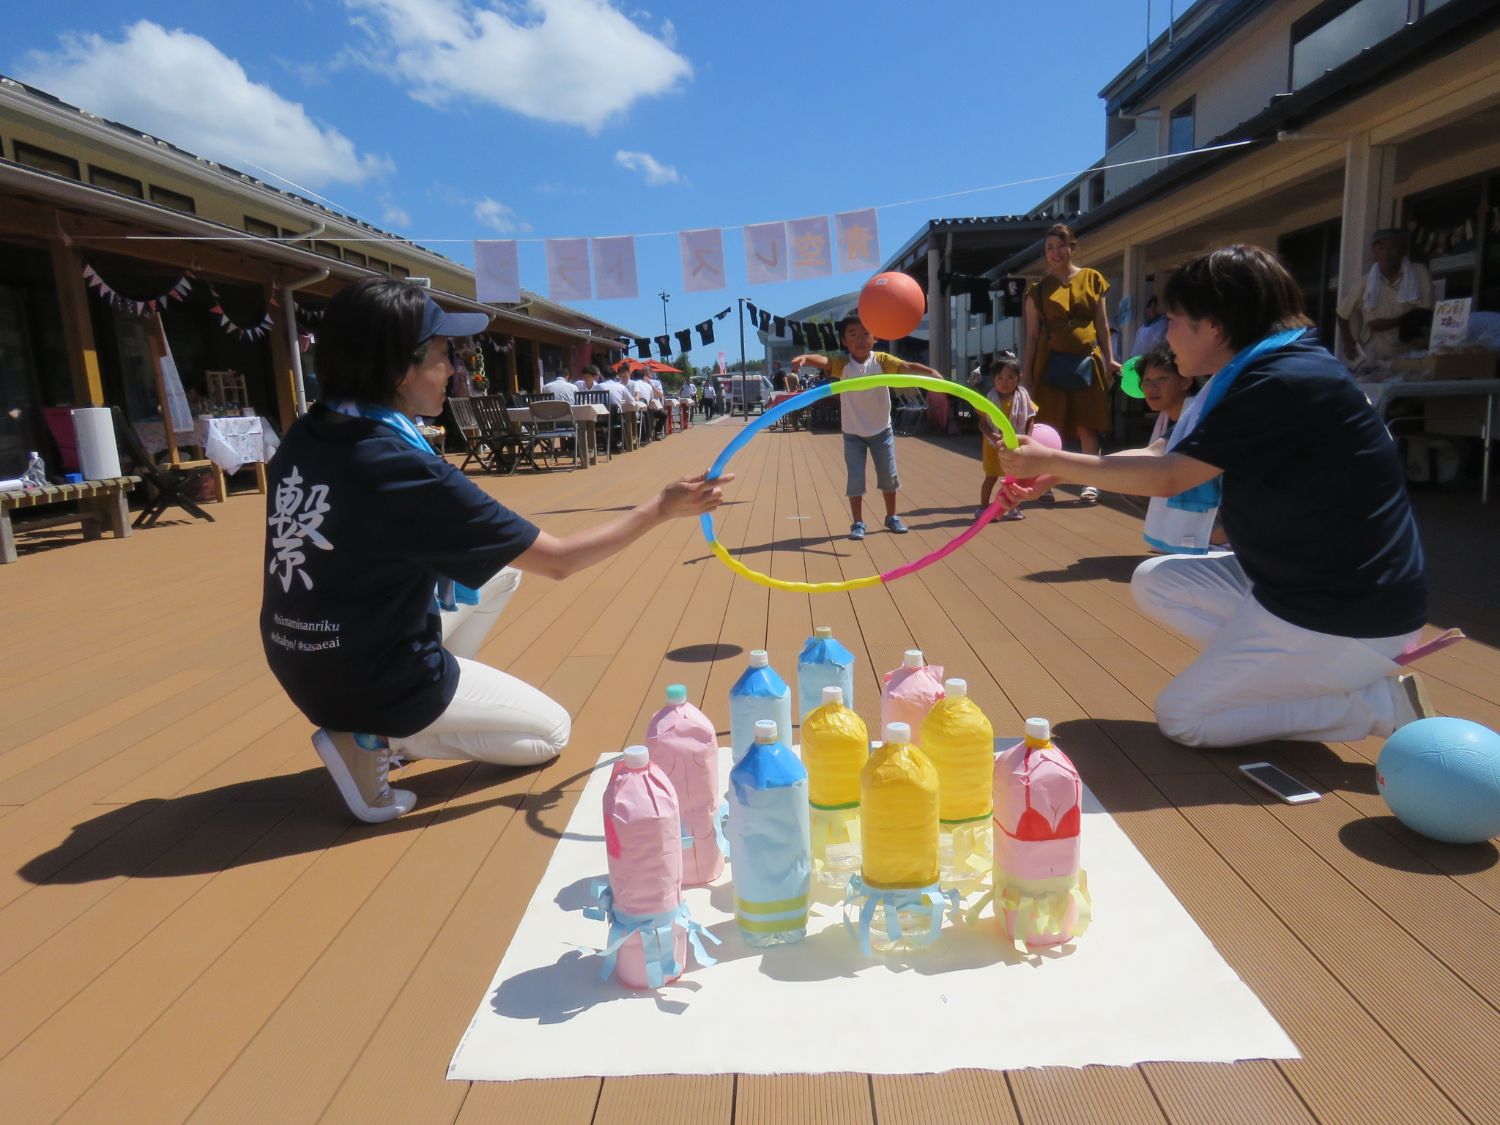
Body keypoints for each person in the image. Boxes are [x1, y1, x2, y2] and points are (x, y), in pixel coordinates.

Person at [260, 278, 728, 822]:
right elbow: (558, 559)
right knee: (550, 733)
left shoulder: (310, 430)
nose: (456, 368)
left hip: (300, 652)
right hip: (369, 677)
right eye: (443, 355)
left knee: (500, 574)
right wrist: (662, 508)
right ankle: (378, 736)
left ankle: (395, 723)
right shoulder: (400, 464)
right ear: (399, 369)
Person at [998, 244, 1431, 749]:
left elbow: (1170, 475)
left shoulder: (1279, 381)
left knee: (1184, 718)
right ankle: (1301, 674)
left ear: (1216, 327)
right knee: (1156, 580)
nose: (1165, 333)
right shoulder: (1269, 367)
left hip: (1347, 607)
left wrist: (1052, 461)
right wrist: (1058, 476)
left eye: (1175, 320)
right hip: (1300, 582)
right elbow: (1163, 450)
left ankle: (1375, 705)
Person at [789, 312, 940, 540]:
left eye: (865, 333)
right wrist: (805, 358)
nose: (860, 339)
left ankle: (891, 516)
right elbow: (824, 360)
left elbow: (906, 367)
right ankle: (858, 522)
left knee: (888, 476)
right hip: (853, 433)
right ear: (844, 341)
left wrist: (930, 373)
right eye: (853, 334)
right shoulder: (843, 364)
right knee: (856, 478)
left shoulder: (882, 361)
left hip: (882, 430)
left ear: (875, 337)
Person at [1021, 223, 1120, 505]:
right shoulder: (1037, 290)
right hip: (1049, 363)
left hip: (1087, 360)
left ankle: (1092, 482)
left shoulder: (1092, 279)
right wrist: (1026, 374)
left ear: (1072, 247)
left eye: (1060, 245)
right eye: (1049, 248)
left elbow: (1102, 324)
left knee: (1087, 424)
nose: (1055, 253)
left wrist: (1110, 358)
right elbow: (1031, 335)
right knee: (1048, 426)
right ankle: (1044, 484)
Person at [1131, 345, 1226, 554]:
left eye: (1161, 379)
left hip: (1230, 505)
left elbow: (1154, 456)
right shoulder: (1167, 416)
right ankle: (1178, 532)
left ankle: (1218, 535)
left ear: (1186, 380)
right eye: (1146, 380)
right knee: (1132, 484)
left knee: (1136, 475)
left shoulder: (1199, 413)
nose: (1151, 388)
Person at [1337, 228, 1433, 363]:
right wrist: (1348, 342)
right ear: (1374, 252)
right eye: (1381, 248)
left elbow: (1424, 313)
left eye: (1393, 247)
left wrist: (1388, 323)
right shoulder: (1365, 282)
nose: (1387, 253)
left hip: (1410, 355)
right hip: (1374, 356)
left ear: (1402, 250)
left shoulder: (1419, 273)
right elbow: (1342, 313)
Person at [978, 352, 1037, 521]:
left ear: (1019, 378)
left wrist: (1028, 439)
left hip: (1016, 445)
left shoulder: (1023, 397)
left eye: (1010, 377)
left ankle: (1013, 507)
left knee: (1014, 479)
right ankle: (982, 507)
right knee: (991, 476)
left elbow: (1030, 418)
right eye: (1000, 378)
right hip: (994, 446)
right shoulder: (989, 400)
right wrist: (993, 435)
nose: (1005, 382)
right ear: (993, 379)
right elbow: (982, 423)